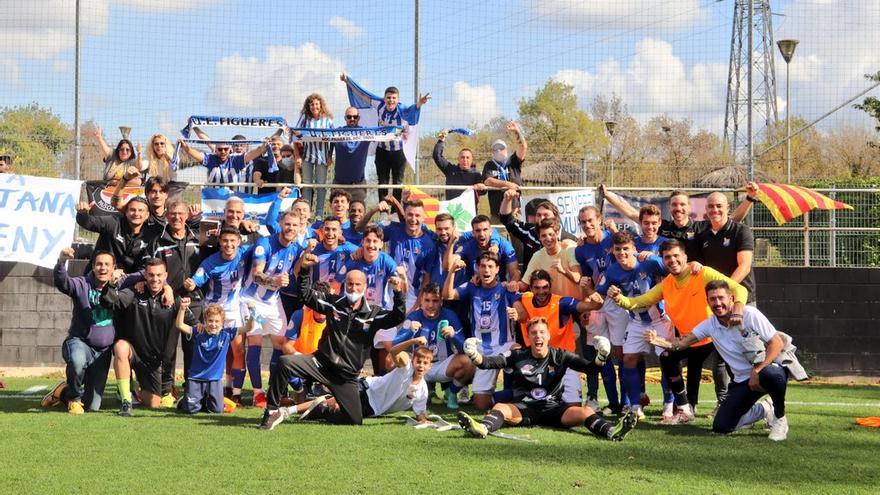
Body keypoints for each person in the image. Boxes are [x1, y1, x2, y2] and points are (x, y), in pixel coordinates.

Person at [259, 255, 407, 429]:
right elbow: (305, 295)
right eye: (350, 283)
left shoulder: (374, 313)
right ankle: (270, 413)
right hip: (321, 363)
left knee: (354, 420)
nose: (353, 288)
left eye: (358, 284)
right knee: (284, 362)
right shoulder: (333, 303)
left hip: (346, 377)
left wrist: (398, 293)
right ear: (345, 284)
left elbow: (397, 316)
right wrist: (305, 270)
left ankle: (320, 410)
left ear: (365, 287)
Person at [609, 239, 749, 423]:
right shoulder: (666, 284)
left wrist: (737, 312)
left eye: (676, 256)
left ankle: (753, 406)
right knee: (668, 357)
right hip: (689, 339)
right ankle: (683, 408)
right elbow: (639, 301)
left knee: (736, 371)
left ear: (685, 257)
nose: (672, 260)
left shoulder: (703, 273)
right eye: (667, 257)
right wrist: (619, 298)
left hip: (714, 336)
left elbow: (739, 289)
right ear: (663, 261)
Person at [647, 280, 791, 440]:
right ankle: (765, 409)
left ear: (731, 298)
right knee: (722, 426)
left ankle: (779, 418)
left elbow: (776, 343)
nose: (718, 303)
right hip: (742, 381)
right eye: (713, 299)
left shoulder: (750, 314)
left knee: (773, 374)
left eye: (721, 298)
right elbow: (681, 344)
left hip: (765, 371)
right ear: (707, 302)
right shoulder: (709, 325)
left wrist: (757, 370)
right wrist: (657, 340)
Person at [456, 318, 637, 441]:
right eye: (534, 333)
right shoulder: (517, 354)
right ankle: (482, 429)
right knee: (500, 407)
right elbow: (488, 363)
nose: (538, 336)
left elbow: (590, 368)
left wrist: (602, 356)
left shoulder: (561, 355)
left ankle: (612, 431)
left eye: (542, 332)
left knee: (586, 411)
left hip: (554, 409)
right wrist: (473, 355)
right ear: (528, 337)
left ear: (549, 336)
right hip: (524, 408)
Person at [41, 248, 141, 414]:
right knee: (78, 362)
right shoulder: (81, 284)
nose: (103, 268)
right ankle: (73, 397)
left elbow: (148, 273)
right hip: (80, 342)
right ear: (93, 267)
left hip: (102, 352)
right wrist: (61, 262)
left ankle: (62, 392)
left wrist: (162, 286)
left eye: (107, 264)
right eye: (99, 264)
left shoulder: (121, 283)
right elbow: (62, 282)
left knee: (92, 406)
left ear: (114, 268)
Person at [268, 337, 433, 429]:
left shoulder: (423, 390)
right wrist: (413, 341)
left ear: (430, 366)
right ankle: (286, 411)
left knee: (340, 413)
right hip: (367, 389)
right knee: (333, 403)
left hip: (372, 409)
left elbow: (420, 414)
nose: (421, 366)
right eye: (419, 361)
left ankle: (319, 409)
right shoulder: (405, 370)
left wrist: (425, 420)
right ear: (413, 361)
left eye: (425, 363)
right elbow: (395, 351)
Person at [597, 231, 671, 420]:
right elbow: (602, 292)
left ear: (634, 249)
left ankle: (669, 405)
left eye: (626, 249)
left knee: (667, 359)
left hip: (659, 320)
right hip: (636, 321)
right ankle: (636, 406)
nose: (622, 253)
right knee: (628, 360)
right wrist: (611, 292)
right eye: (618, 249)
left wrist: (655, 256)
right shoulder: (612, 271)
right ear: (613, 251)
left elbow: (674, 268)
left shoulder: (650, 263)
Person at [239, 210, 302, 408]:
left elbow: (302, 266)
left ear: (300, 228)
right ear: (281, 224)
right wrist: (273, 280)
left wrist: (309, 254)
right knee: (255, 341)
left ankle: (276, 390)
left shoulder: (296, 248)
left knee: (282, 343)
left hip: (273, 302)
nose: (290, 228)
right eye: (287, 224)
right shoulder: (264, 243)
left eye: (294, 225)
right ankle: (258, 393)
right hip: (251, 299)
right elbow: (257, 274)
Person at [512, 270, 603, 406]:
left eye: (545, 287)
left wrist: (588, 289)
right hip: (536, 362)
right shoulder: (524, 299)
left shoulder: (562, 303)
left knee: (574, 406)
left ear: (550, 287)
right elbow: (508, 293)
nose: (541, 292)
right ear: (531, 288)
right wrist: (515, 302)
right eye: (537, 288)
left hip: (564, 361)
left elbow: (596, 304)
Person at [442, 251, 520, 411]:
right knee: (480, 405)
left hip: (504, 344)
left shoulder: (505, 288)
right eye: (483, 266)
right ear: (477, 268)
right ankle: (489, 397)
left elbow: (522, 309)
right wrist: (451, 272)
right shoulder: (472, 287)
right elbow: (447, 295)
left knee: (517, 351)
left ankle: (520, 396)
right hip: (481, 349)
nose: (486, 270)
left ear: (498, 268)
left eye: (490, 266)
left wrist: (517, 314)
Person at [100, 258, 178, 415]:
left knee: (153, 404)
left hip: (152, 361)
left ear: (165, 276)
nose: (155, 279)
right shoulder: (134, 292)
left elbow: (191, 323)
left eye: (158, 275)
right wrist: (112, 284)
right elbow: (111, 301)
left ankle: (136, 390)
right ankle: (126, 401)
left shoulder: (172, 299)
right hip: (133, 352)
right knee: (121, 347)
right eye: (150, 275)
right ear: (145, 275)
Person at [184, 226, 251, 404]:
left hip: (234, 309)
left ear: (239, 242)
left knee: (238, 350)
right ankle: (210, 388)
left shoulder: (245, 254)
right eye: (225, 241)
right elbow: (198, 278)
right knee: (212, 349)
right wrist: (192, 284)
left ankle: (234, 392)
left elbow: (265, 243)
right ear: (220, 242)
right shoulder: (210, 262)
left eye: (232, 241)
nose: (229, 245)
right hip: (213, 311)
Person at [341, 73, 431, 202]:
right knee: (382, 181)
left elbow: (413, 109)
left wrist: (420, 103)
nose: (391, 101)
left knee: (397, 182)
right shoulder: (379, 104)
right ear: (384, 98)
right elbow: (363, 94)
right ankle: (383, 210)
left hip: (398, 151)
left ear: (397, 99)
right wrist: (348, 81)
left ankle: (395, 211)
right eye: (388, 98)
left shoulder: (402, 109)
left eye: (394, 98)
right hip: (382, 150)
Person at [392, 283, 473, 409]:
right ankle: (415, 392)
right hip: (420, 366)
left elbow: (465, 349)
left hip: (443, 366)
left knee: (468, 362)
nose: (430, 305)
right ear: (421, 301)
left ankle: (451, 393)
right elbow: (394, 346)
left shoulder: (450, 315)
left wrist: (453, 336)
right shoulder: (413, 317)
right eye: (427, 300)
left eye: (435, 301)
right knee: (392, 361)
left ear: (441, 301)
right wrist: (408, 332)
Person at [148, 198, 203, 385]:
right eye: (172, 214)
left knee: (192, 347)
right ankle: (167, 390)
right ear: (167, 216)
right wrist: (166, 287)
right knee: (168, 350)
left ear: (187, 216)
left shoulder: (198, 238)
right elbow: (151, 269)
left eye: (180, 213)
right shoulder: (158, 241)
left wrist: (197, 284)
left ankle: (191, 388)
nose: (177, 217)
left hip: (194, 302)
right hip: (168, 301)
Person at [573, 205, 621, 414]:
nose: (587, 225)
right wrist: (587, 306)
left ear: (599, 220)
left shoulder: (613, 239)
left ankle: (631, 401)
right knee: (601, 353)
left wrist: (616, 232)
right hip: (598, 303)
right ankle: (613, 403)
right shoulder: (581, 249)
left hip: (620, 302)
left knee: (624, 353)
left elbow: (632, 250)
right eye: (583, 222)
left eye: (591, 220)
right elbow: (586, 280)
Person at [335, 225, 401, 375]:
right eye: (368, 241)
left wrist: (398, 278)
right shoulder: (354, 260)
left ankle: (389, 382)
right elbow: (338, 279)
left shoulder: (386, 260)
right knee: (351, 352)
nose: (371, 245)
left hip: (379, 312)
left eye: (375, 241)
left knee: (390, 351)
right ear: (362, 242)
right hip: (357, 313)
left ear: (381, 243)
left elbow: (397, 276)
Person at [175, 301, 251, 414]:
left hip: (214, 379)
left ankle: (205, 399)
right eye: (210, 320)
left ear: (223, 322)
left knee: (217, 410)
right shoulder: (198, 331)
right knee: (190, 410)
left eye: (217, 321)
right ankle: (185, 400)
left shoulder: (226, 334)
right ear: (205, 320)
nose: (213, 324)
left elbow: (248, 327)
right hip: (196, 377)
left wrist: (252, 312)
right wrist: (182, 308)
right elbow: (179, 325)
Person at [76, 196, 160, 273]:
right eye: (132, 210)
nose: (136, 214)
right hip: (98, 277)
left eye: (141, 210)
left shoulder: (151, 235)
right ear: (126, 212)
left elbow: (146, 265)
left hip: (128, 282)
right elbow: (88, 223)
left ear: (147, 215)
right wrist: (83, 214)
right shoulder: (113, 222)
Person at [500, 189, 577, 269]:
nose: (541, 218)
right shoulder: (529, 231)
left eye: (546, 215)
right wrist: (507, 200)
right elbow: (507, 220)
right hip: (530, 279)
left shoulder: (569, 239)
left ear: (555, 217)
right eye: (538, 215)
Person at [293, 93, 334, 217]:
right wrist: (298, 156)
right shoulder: (304, 118)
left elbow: (334, 139)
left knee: (321, 185)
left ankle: (319, 214)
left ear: (321, 105)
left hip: (322, 156)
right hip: (307, 156)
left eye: (316, 104)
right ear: (308, 106)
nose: (314, 106)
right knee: (306, 185)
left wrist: (330, 156)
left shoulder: (328, 120)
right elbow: (295, 134)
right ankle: (306, 212)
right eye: (311, 104)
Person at [520, 219, 581, 299]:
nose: (548, 238)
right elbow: (524, 285)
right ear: (539, 238)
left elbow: (578, 278)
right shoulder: (537, 256)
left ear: (557, 233)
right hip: (553, 307)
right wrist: (512, 284)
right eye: (544, 236)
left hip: (574, 306)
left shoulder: (568, 248)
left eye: (551, 234)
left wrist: (563, 271)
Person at [454, 215, 520, 284]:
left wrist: (512, 284)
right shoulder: (468, 245)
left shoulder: (504, 245)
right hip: (475, 289)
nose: (481, 234)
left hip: (499, 290)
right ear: (473, 233)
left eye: (485, 230)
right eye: (478, 230)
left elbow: (515, 273)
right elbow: (453, 259)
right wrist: (456, 262)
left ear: (491, 231)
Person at [482, 121, 527, 222]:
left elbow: (523, 147)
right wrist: (508, 184)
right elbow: (488, 181)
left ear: (506, 150)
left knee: (518, 237)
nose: (498, 151)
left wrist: (517, 132)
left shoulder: (513, 161)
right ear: (492, 152)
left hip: (515, 211)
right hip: (497, 213)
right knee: (497, 237)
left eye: (501, 148)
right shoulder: (489, 165)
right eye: (495, 149)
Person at [178, 137, 267, 185]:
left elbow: (254, 153)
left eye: (225, 149)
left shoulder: (236, 159)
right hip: (214, 200)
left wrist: (264, 146)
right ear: (215, 150)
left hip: (237, 196)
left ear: (230, 149)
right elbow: (196, 154)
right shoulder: (211, 158)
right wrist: (185, 147)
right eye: (220, 149)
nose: (223, 152)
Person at [431, 129, 487, 201]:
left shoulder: (476, 174)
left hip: (469, 210)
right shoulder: (450, 170)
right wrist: (441, 140)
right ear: (458, 159)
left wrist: (482, 187)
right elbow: (436, 156)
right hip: (452, 209)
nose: (465, 160)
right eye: (462, 157)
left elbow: (483, 192)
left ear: (471, 160)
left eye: (467, 158)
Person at [333, 107, 371, 203]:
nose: (352, 119)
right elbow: (327, 141)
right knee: (339, 215)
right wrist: (329, 156)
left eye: (355, 117)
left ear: (359, 118)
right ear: (345, 118)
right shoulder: (337, 132)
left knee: (358, 215)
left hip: (358, 185)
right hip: (339, 184)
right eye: (349, 117)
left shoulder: (366, 132)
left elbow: (384, 134)